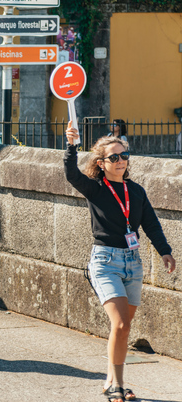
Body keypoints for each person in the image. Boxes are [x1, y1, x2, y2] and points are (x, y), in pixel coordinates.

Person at [65, 122, 175, 402]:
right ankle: (118, 385)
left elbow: (150, 222)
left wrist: (165, 250)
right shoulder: (96, 189)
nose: (120, 161)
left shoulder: (135, 190)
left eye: (124, 156)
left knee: (123, 328)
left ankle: (109, 380)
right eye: (114, 157)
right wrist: (71, 147)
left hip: (132, 263)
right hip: (105, 261)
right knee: (121, 325)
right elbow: (71, 174)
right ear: (101, 163)